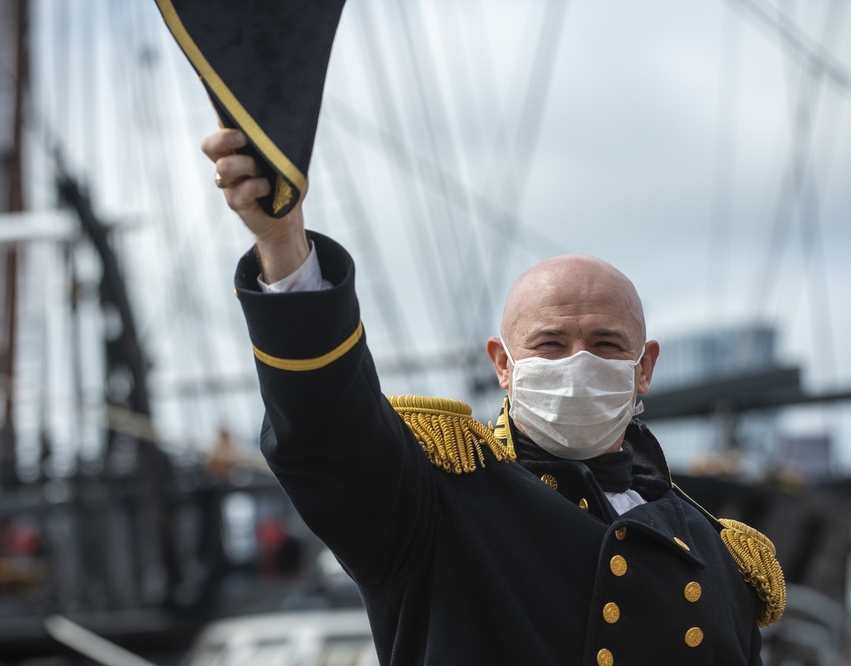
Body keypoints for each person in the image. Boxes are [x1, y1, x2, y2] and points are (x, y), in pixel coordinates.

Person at [202, 127, 785, 665]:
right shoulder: (432, 500)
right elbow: (326, 426)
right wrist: (284, 244)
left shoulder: (717, 552)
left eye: (606, 344)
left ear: (644, 368)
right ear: (503, 365)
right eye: (550, 344)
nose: (577, 363)